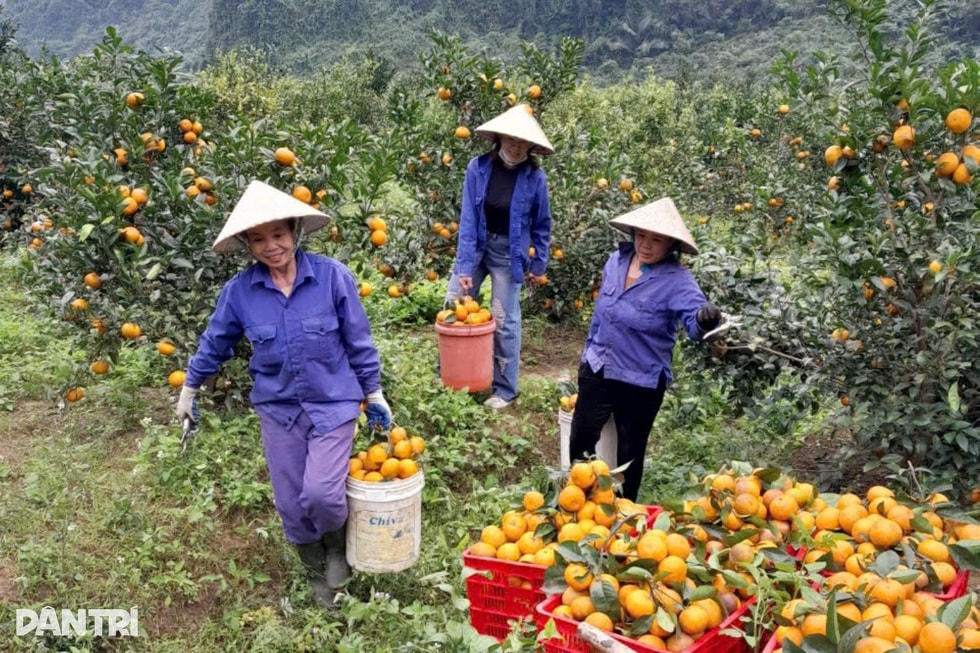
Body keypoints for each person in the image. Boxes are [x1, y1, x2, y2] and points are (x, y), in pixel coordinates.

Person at [175, 180, 391, 608]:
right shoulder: (240, 292)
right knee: (292, 503)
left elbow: (358, 340)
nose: (271, 246)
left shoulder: (332, 278)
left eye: (278, 234)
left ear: (294, 231)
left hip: (334, 402)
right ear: (246, 244)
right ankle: (315, 568)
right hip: (279, 410)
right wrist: (189, 387)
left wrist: (375, 392)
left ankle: (335, 546)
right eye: (258, 238)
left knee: (322, 495)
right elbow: (214, 341)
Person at [568, 197, 721, 501]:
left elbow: (695, 324)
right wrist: (587, 356)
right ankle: (579, 507)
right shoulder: (616, 261)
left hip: (641, 379)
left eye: (656, 239)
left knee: (630, 453)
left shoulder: (678, 280)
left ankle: (623, 513)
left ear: (670, 245)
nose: (646, 245)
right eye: (641, 236)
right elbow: (601, 314)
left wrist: (706, 320)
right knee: (581, 439)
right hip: (598, 365)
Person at [448, 104, 554, 409]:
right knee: (454, 304)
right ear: (499, 138)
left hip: (509, 254)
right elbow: (468, 218)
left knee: (505, 320)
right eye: (510, 139)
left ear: (530, 146)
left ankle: (504, 389)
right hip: (477, 247)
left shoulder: (535, 179)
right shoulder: (477, 169)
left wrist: (538, 263)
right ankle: (458, 376)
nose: (515, 146)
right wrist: (465, 264)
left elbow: (542, 225)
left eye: (522, 141)